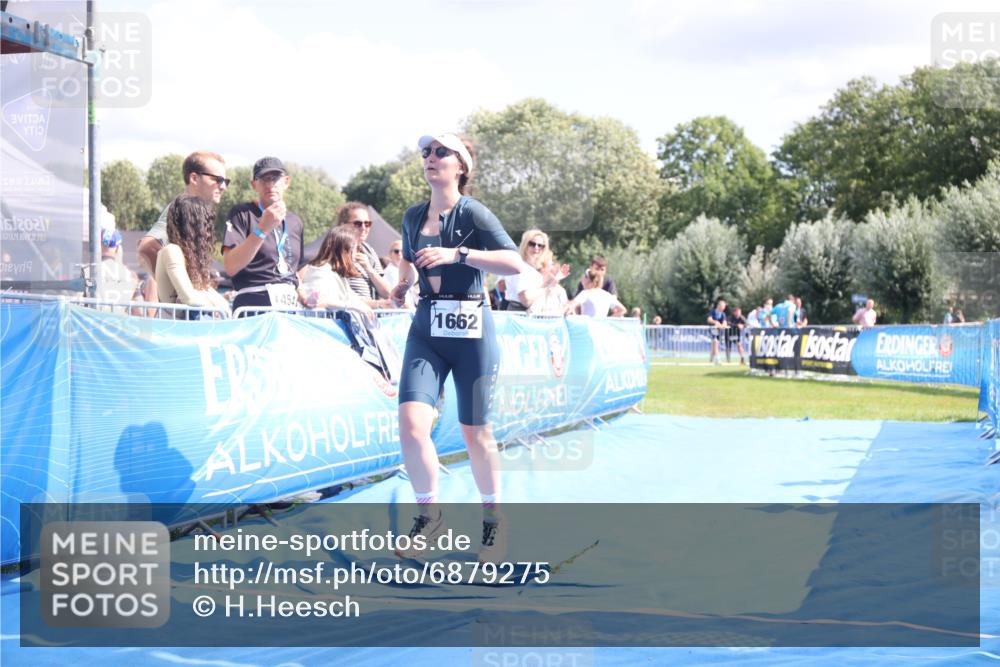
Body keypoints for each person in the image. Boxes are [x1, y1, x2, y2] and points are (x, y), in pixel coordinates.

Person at [388, 132, 520, 562]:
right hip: (427, 327)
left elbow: (513, 262)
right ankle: (429, 517)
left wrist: (457, 255)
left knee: (475, 433)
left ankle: (492, 520)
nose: (431, 157)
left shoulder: (474, 212)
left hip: (471, 331)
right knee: (411, 425)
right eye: (426, 151)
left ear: (460, 166)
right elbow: (408, 260)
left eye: (441, 151)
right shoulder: (411, 216)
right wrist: (402, 285)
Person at [222, 157, 305, 313]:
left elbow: (297, 267)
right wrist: (262, 230)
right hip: (253, 305)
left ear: (286, 182)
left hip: (290, 309)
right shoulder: (241, 214)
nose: (270, 184)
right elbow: (230, 266)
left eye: (275, 178)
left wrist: (301, 291)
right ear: (254, 184)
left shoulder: (295, 222)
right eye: (263, 179)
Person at [138, 151, 228, 292]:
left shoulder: (195, 211)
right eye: (217, 180)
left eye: (225, 181)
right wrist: (174, 288)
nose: (223, 187)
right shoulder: (179, 210)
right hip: (179, 311)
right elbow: (146, 247)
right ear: (194, 178)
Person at [155, 195, 230, 317]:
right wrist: (217, 309)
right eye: (205, 225)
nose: (209, 231)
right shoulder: (172, 251)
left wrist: (222, 307)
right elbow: (190, 298)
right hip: (172, 331)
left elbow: (203, 291)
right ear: (195, 226)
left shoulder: (187, 255)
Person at [296, 226, 374, 319]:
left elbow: (353, 299)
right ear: (347, 249)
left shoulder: (336, 273)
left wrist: (379, 304)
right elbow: (318, 302)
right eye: (357, 248)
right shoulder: (321, 271)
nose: (358, 252)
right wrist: (354, 307)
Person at [338, 202, 393, 308]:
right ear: (343, 224)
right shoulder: (335, 251)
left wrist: (369, 269)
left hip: (370, 318)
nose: (364, 228)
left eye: (367, 223)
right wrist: (378, 304)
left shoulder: (369, 252)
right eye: (357, 223)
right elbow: (340, 296)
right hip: (346, 317)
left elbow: (387, 293)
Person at [707, 299, 727, 365]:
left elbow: (725, 323)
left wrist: (721, 325)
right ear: (718, 305)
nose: (724, 308)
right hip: (712, 329)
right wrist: (716, 322)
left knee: (714, 345)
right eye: (722, 306)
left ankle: (710, 360)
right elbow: (709, 319)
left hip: (719, 331)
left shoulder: (723, 314)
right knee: (715, 342)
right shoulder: (713, 312)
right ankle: (717, 359)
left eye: (724, 307)